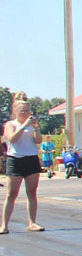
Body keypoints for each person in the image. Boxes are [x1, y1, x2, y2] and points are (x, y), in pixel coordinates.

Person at [3, 99, 47, 233]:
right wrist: (23, 126)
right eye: (23, 111)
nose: (26, 114)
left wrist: (36, 128)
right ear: (16, 111)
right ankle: (4, 225)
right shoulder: (11, 124)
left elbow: (38, 141)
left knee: (32, 192)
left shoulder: (31, 125)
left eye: (28, 111)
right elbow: (13, 139)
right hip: (16, 159)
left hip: (31, 159)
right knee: (11, 193)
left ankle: (32, 222)